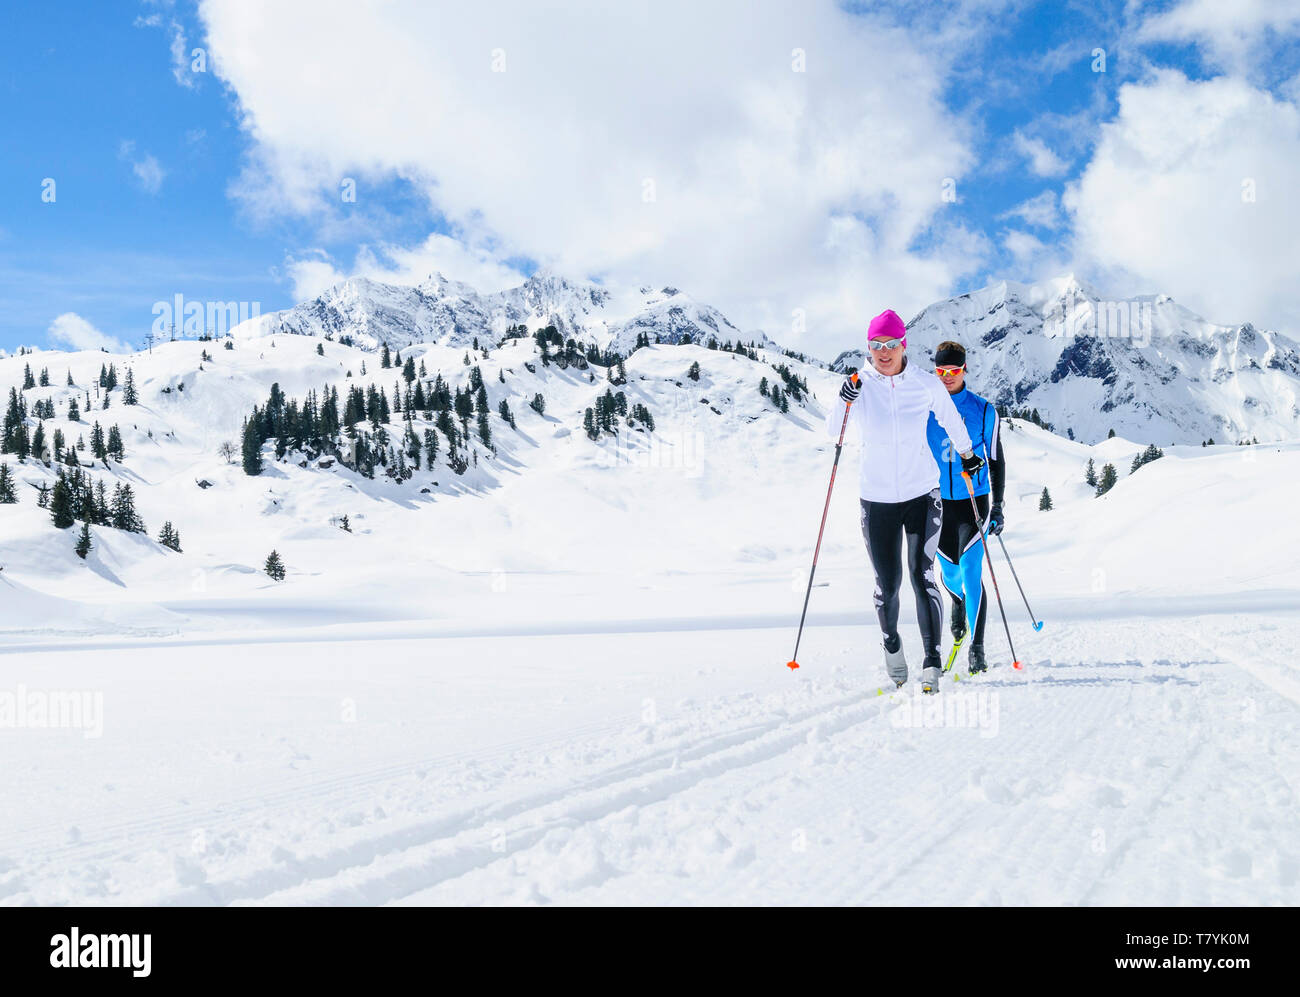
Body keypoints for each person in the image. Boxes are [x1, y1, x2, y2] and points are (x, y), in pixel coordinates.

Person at [829, 309, 984, 693]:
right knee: (888, 583)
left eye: (891, 344)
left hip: (922, 493)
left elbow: (949, 418)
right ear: (869, 348)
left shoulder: (924, 383)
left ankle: (932, 660)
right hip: (876, 499)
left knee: (921, 573)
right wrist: (843, 401)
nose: (884, 352)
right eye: (876, 346)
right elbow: (834, 432)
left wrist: (967, 454)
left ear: (904, 345)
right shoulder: (859, 384)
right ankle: (892, 643)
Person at [924, 340, 1005, 674]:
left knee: (971, 569)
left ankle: (978, 647)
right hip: (938, 504)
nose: (946, 377)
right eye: (941, 371)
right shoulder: (924, 410)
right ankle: (957, 602)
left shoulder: (983, 411)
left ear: (964, 369)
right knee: (951, 573)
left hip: (974, 500)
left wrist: (998, 506)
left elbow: (997, 460)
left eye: (953, 371)